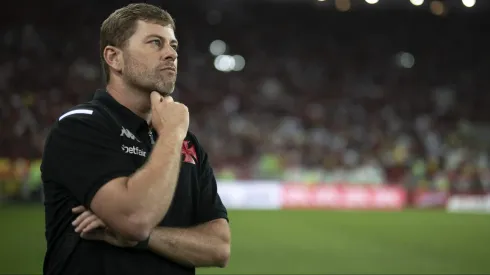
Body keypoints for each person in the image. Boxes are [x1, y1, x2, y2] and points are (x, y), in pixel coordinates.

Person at [40, 3, 231, 275]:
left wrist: (148, 238)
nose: (171, 54)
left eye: (174, 46)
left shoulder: (187, 143)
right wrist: (173, 132)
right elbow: (135, 218)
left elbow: (219, 248)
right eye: (155, 43)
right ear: (114, 57)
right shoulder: (80, 126)